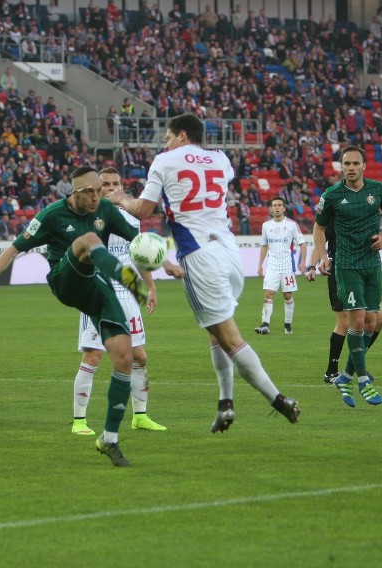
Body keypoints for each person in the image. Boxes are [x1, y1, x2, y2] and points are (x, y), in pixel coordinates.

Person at [107, 112, 301, 433]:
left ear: (182, 135)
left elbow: (144, 209)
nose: (165, 143)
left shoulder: (164, 161)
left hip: (198, 257)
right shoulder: (221, 160)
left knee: (230, 338)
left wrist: (120, 197)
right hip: (229, 252)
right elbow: (220, 178)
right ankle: (225, 405)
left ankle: (278, 399)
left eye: (168, 137)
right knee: (216, 332)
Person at [0, 166, 171, 467]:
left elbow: (138, 243)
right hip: (66, 280)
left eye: (98, 190)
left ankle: (110, 439)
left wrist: (166, 263)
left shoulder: (106, 209)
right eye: (90, 191)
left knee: (124, 357)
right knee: (89, 240)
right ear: (74, 193)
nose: (96, 196)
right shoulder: (51, 215)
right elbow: (12, 250)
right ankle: (134, 287)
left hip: (96, 287)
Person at [71, 167, 178, 436]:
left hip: (127, 291)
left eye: (115, 183)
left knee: (139, 356)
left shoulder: (131, 218)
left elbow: (139, 256)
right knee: (93, 355)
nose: (110, 188)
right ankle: (79, 420)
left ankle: (140, 416)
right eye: (105, 184)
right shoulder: (89, 216)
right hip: (97, 291)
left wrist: (150, 287)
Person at [309, 145, 382, 407]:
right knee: (356, 323)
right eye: (345, 164)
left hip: (372, 264)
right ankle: (363, 381)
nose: (350, 168)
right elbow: (318, 228)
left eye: (354, 163)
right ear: (341, 167)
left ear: (364, 166)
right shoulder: (332, 195)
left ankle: (345, 376)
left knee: (374, 323)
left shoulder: (377, 190)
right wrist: (323, 256)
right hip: (346, 265)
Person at [308, 225, 382, 384]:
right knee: (344, 323)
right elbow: (320, 237)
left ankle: (354, 366)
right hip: (339, 269)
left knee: (379, 319)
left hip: (364, 268)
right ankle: (331, 371)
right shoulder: (333, 208)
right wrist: (312, 266)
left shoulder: (361, 210)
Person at [254, 196, 307, 335]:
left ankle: (288, 325)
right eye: (274, 205)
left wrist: (302, 262)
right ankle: (265, 324)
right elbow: (264, 246)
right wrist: (260, 265)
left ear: (283, 208)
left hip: (287, 265)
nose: (276, 208)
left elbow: (303, 244)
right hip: (272, 264)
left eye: (279, 205)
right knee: (268, 293)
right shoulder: (266, 225)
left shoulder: (291, 224)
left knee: (287, 295)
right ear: (271, 208)